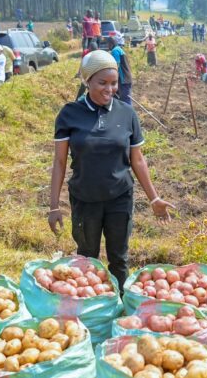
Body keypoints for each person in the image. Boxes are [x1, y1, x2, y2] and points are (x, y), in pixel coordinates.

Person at [48, 50, 174, 293]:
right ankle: (91, 306)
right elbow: (60, 163)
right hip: (85, 200)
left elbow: (137, 160)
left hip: (120, 197)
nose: (109, 89)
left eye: (114, 83)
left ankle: (121, 306)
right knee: (87, 258)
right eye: (102, 83)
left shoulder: (126, 113)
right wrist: (54, 206)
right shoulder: (69, 114)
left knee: (119, 259)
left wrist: (154, 198)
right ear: (87, 81)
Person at [108, 37, 133, 105]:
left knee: (125, 99)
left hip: (123, 79)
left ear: (111, 44)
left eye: (108, 44)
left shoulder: (115, 51)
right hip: (127, 77)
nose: (107, 46)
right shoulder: (119, 49)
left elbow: (116, 65)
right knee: (121, 97)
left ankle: (129, 114)